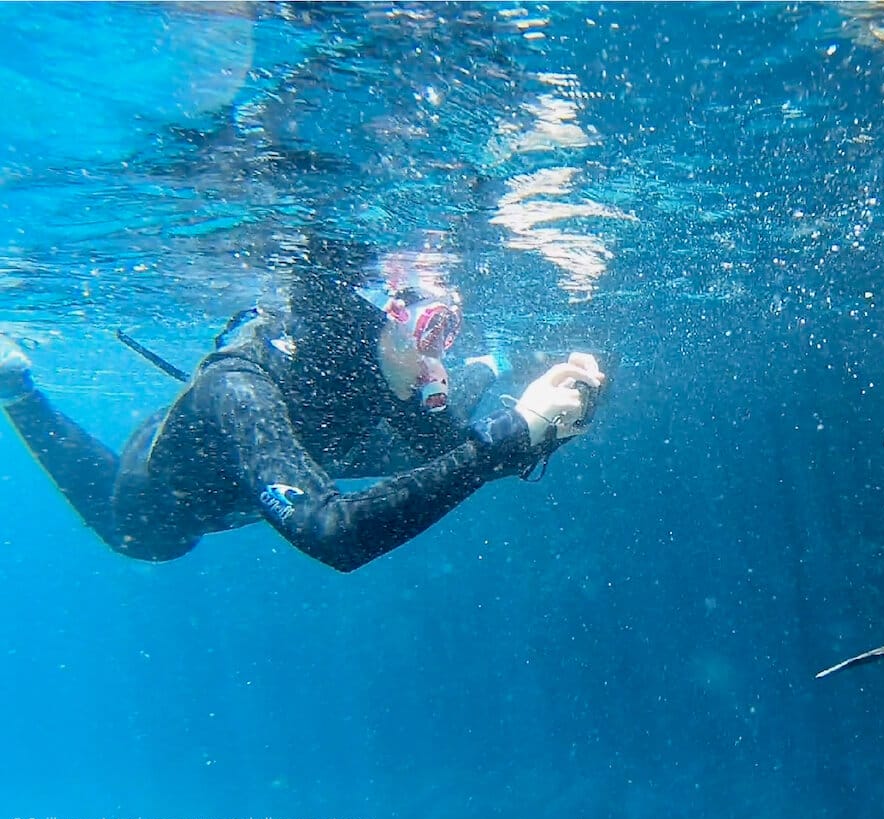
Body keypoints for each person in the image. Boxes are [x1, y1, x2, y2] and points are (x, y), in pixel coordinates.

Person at [0, 234, 605, 572]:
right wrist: (513, 432)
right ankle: (18, 391)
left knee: (427, 449)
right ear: (367, 319)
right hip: (163, 503)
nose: (434, 361)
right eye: (431, 333)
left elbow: (452, 450)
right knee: (141, 540)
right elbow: (334, 535)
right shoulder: (238, 388)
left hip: (315, 451)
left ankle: (490, 364)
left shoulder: (375, 366)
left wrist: (541, 427)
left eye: (447, 335)